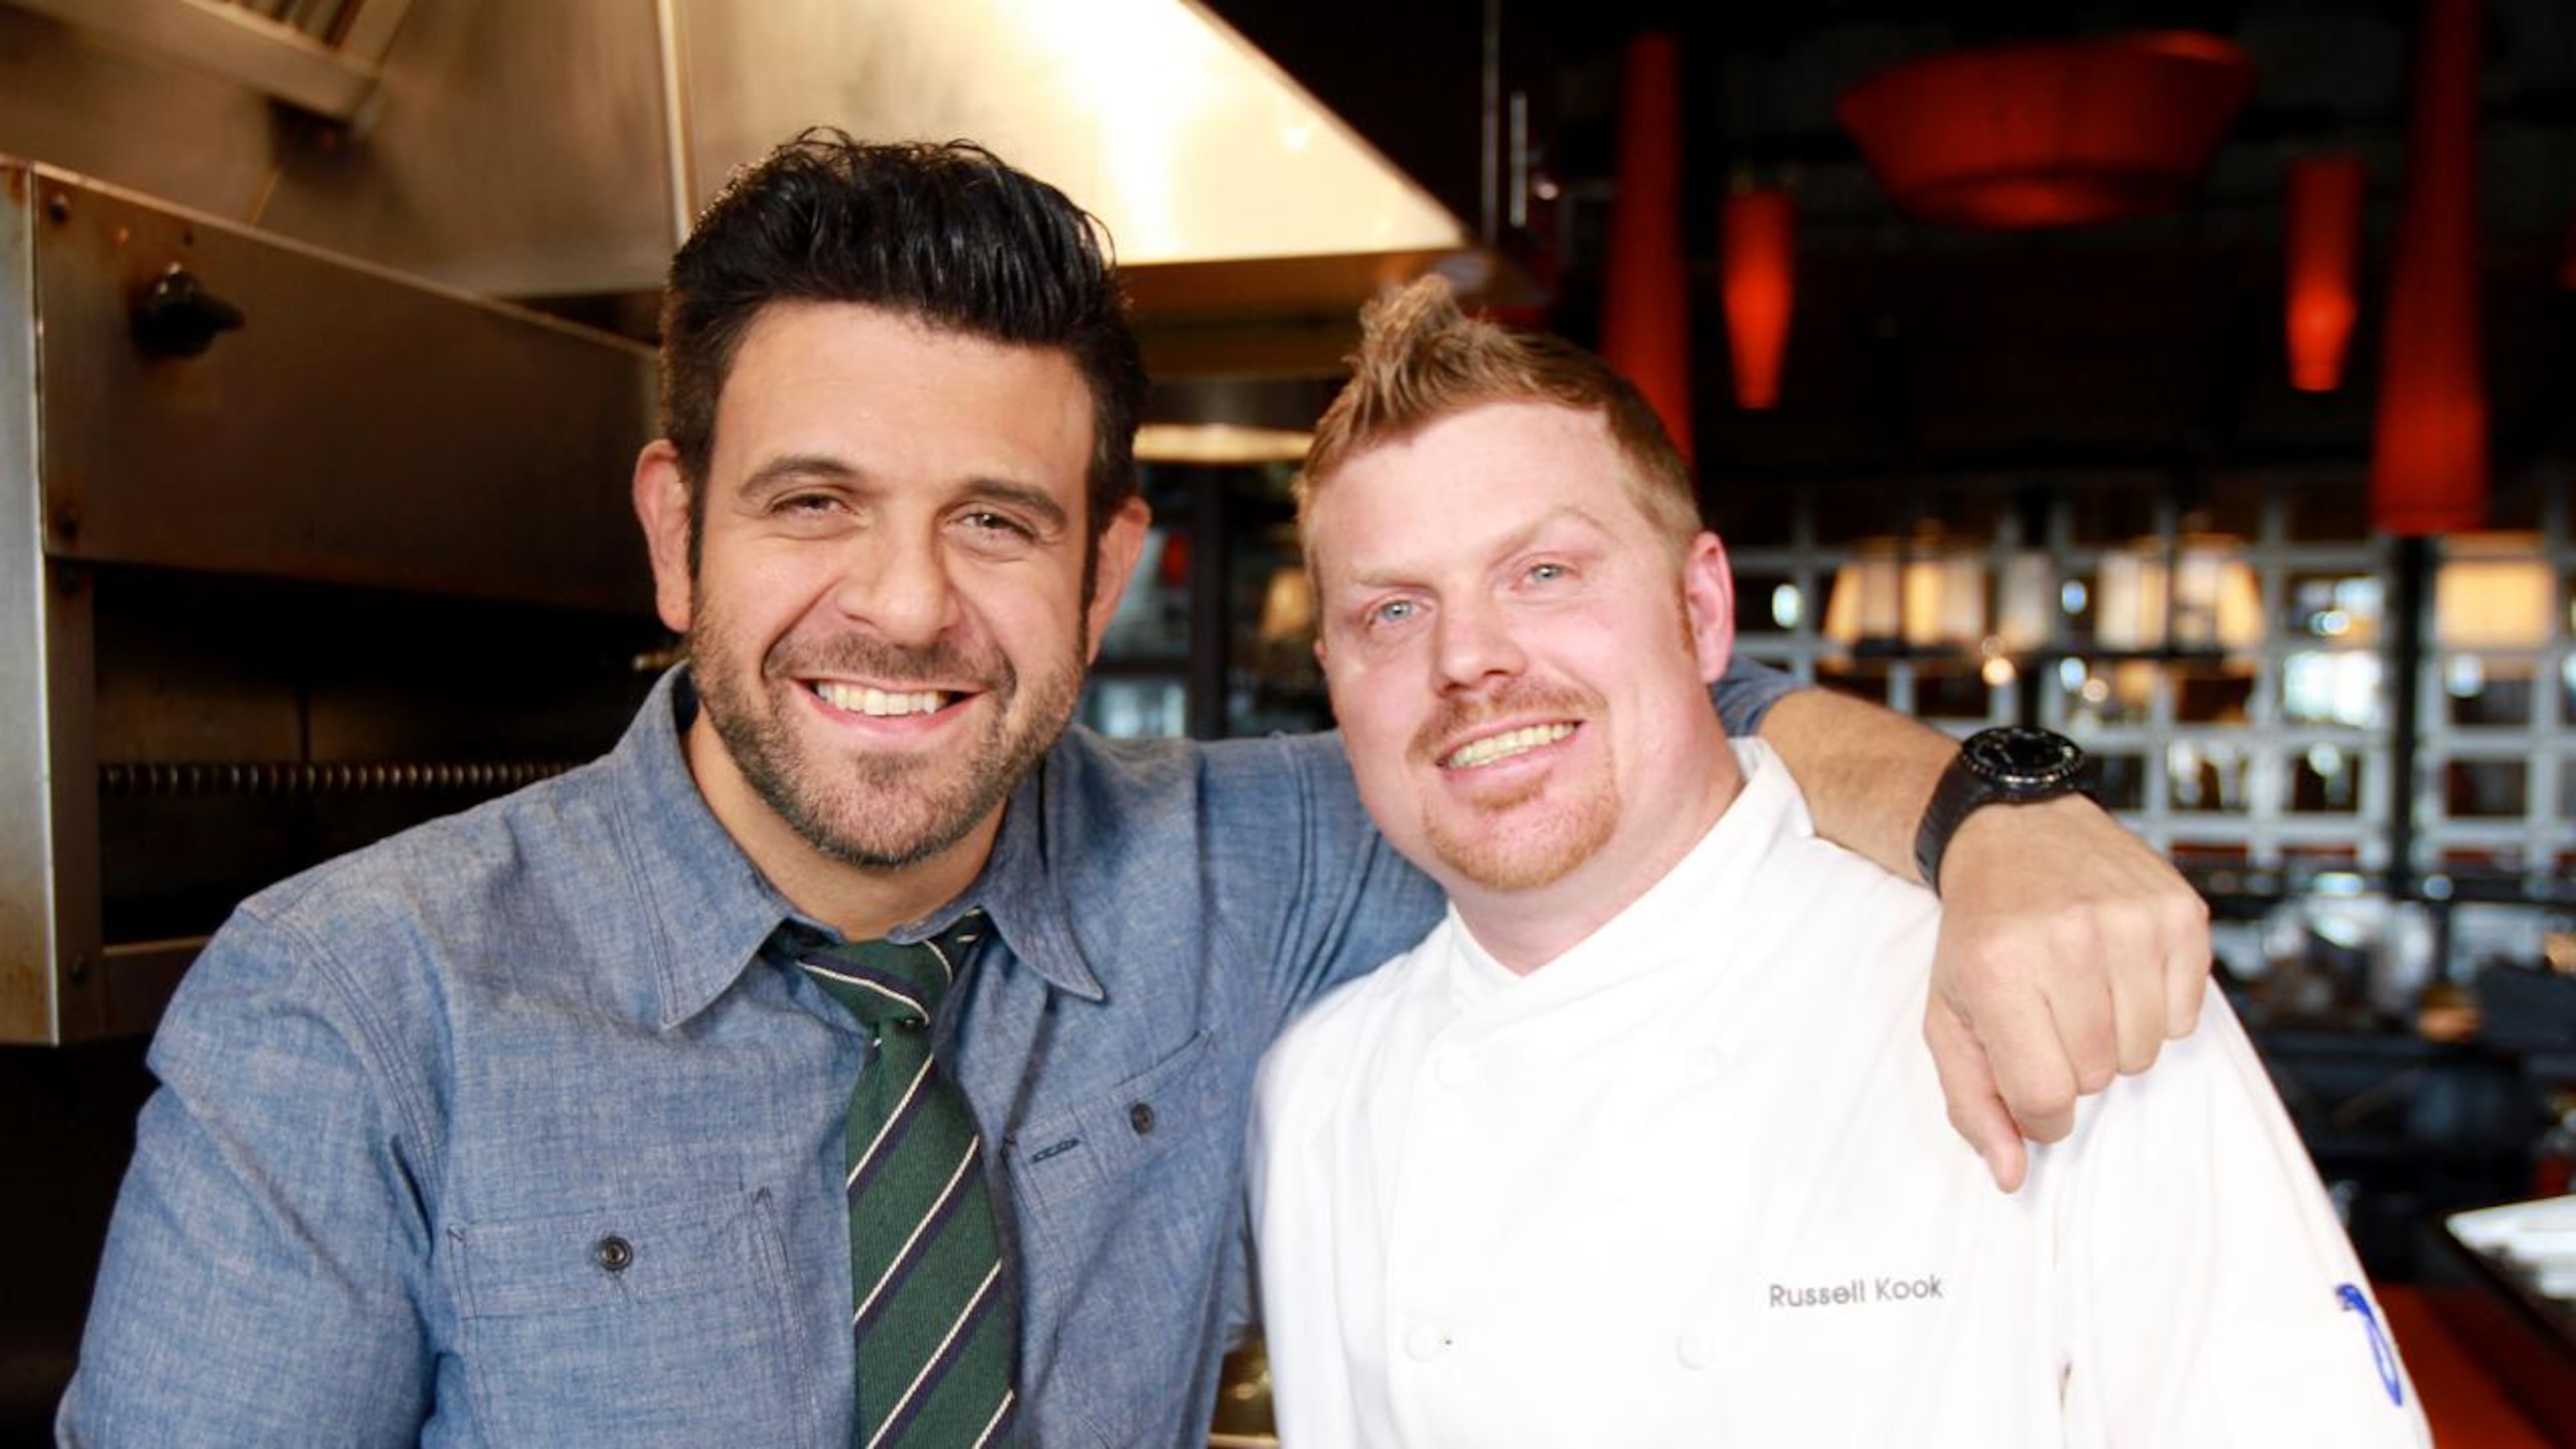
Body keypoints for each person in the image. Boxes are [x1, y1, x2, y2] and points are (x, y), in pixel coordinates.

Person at [61, 135, 2206, 1447]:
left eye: (997, 524)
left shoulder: (1241, 865)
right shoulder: (356, 1006)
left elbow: (1678, 740)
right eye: (814, 503)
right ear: (673, 531)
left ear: (1109, 571)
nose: (904, 608)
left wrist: (1999, 817)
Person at [1248, 276, 2430, 1446]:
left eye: (1543, 573)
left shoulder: (2047, 979)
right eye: (1392, 613)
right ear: (1335, 679)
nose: (1469, 659)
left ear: (1703, 609)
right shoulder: (1317, 1092)